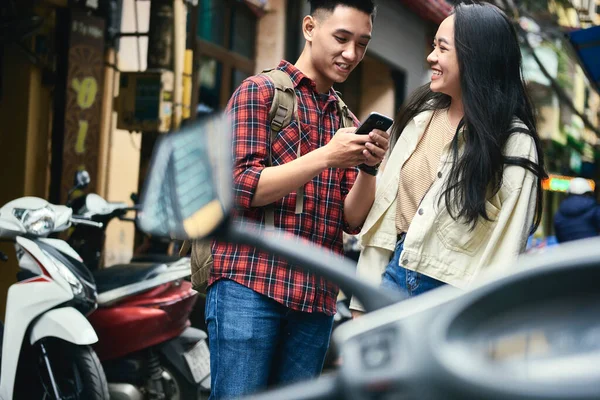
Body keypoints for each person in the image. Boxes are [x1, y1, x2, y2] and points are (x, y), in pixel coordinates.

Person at [206, 1, 389, 398]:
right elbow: (241, 186)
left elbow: (351, 220)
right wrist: (327, 155)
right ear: (309, 27)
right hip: (249, 287)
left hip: (315, 301)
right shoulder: (258, 92)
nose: (351, 54)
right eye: (341, 38)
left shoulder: (347, 123)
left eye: (362, 43)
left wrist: (369, 169)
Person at [350, 2, 547, 314]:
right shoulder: (420, 119)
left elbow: (506, 248)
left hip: (453, 297)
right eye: (433, 46)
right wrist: (363, 302)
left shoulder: (513, 141)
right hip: (394, 276)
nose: (431, 57)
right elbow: (384, 219)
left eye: (442, 48)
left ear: (475, 57)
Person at [554, 177, 600, 243]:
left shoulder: (559, 214)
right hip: (592, 251)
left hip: (568, 252)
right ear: (588, 192)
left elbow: (559, 238)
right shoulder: (595, 209)